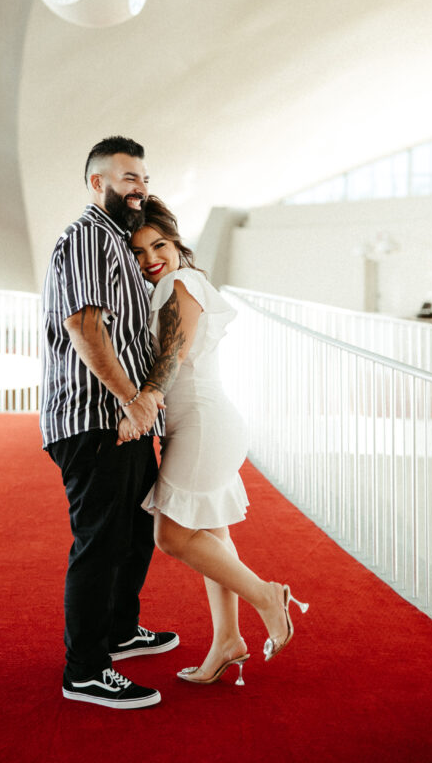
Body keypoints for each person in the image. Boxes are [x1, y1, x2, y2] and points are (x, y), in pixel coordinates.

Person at [126, 196, 308, 686]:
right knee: (213, 533)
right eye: (139, 252)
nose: (150, 259)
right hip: (201, 424)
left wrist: (141, 404)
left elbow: (173, 354)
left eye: (158, 245)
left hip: (204, 425)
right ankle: (227, 641)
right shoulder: (164, 286)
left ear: (176, 241)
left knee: (173, 535)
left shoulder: (180, 282)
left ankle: (267, 596)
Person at [40, 137, 178, 710]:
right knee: (99, 542)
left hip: (122, 416)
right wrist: (134, 399)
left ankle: (120, 631)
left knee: (132, 534)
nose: (139, 185)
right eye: (127, 177)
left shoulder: (119, 243)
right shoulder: (86, 237)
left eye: (142, 176)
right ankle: (86, 670)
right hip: (93, 417)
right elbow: (83, 325)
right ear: (97, 183)